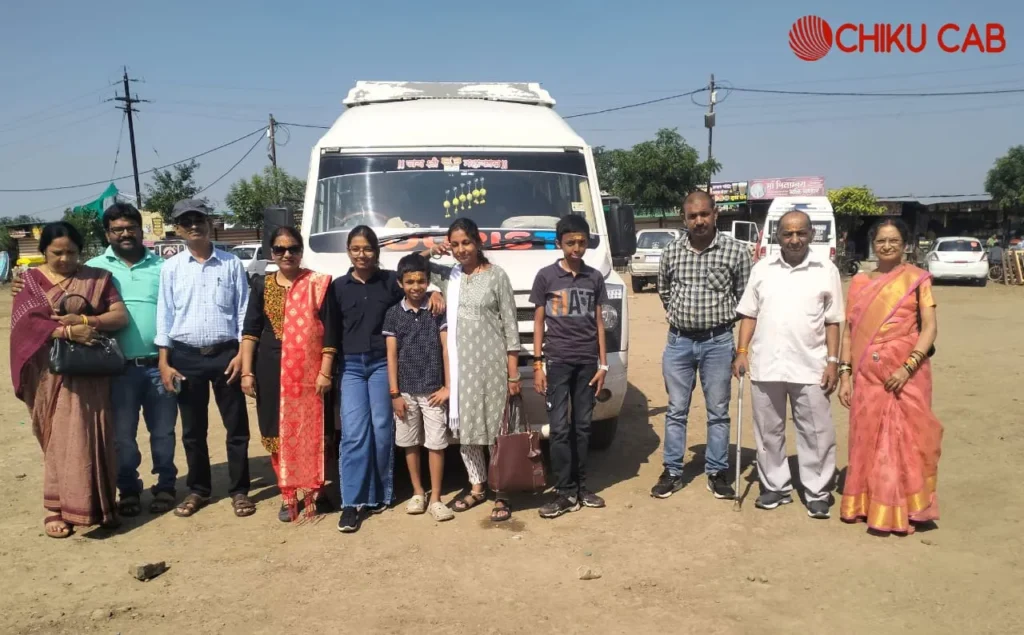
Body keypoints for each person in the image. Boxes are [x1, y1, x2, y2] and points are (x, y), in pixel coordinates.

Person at [10, 222, 129, 538]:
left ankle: (101, 506)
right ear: (43, 252)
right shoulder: (30, 282)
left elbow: (120, 316)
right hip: (51, 375)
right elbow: (24, 325)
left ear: (81, 251)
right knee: (60, 439)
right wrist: (64, 331)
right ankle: (55, 508)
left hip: (92, 374)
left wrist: (89, 321)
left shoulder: (98, 279)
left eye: (71, 252)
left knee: (95, 435)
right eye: (56, 252)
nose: (64, 259)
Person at [331, 226, 444, 533]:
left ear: (376, 252)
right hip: (352, 367)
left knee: (383, 431)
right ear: (348, 251)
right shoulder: (339, 286)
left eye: (367, 248)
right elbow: (330, 330)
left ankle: (381, 493)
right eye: (355, 248)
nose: (361, 254)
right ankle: (352, 503)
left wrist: (436, 291)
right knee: (354, 433)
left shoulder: (387, 284)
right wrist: (326, 367)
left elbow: (413, 277)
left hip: (382, 365)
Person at [733, 210, 843, 520]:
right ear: (777, 236)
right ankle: (775, 486)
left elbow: (834, 320)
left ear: (812, 234)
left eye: (801, 233)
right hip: (767, 363)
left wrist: (833, 362)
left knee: (817, 432)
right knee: (769, 431)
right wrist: (742, 351)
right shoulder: (763, 269)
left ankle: (818, 491)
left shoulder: (826, 270)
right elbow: (749, 314)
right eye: (787, 234)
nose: (794, 240)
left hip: (811, 364)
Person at [837, 218, 942, 535]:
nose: (886, 246)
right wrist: (845, 374)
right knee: (868, 439)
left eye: (893, 240)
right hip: (868, 378)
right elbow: (848, 333)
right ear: (873, 243)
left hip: (906, 376)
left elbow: (930, 328)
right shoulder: (859, 283)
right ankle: (869, 506)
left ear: (905, 244)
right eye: (881, 240)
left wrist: (907, 367)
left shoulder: (917, 280)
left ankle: (907, 508)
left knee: (904, 441)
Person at [156, 199, 254, 519]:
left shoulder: (230, 263)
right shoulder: (171, 268)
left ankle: (240, 490)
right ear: (178, 229)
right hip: (186, 358)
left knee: (236, 427)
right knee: (193, 430)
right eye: (187, 221)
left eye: (199, 219)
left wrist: (242, 355)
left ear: (210, 223)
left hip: (227, 355)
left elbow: (243, 313)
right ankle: (199, 490)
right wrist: (164, 361)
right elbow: (165, 316)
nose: (194, 225)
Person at [652, 190, 751, 500]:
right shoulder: (671, 252)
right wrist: (683, 316)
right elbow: (664, 290)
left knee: (718, 412)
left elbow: (746, 299)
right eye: (692, 216)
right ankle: (672, 471)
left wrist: (740, 348)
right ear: (685, 218)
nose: (699, 221)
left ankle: (717, 471)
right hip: (679, 342)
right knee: (676, 410)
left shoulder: (736, 252)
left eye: (704, 214)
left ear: (715, 214)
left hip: (718, 343)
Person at [240, 227, 337, 523]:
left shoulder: (318, 284)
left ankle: (314, 491)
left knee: (313, 430)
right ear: (271, 253)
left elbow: (331, 332)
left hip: (310, 370)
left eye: (293, 248)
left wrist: (325, 371)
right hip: (271, 368)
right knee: (277, 433)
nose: (287, 254)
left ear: (301, 250)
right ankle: (288, 494)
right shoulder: (261, 284)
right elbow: (250, 330)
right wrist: (246, 371)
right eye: (280, 249)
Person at [428, 217, 521, 523]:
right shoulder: (449, 277)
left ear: (478, 242)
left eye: (465, 242)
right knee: (468, 432)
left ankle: (501, 492)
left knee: (497, 431)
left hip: (493, 365)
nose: (460, 249)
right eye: (454, 244)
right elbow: (409, 267)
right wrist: (433, 254)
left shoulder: (497, 277)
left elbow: (510, 327)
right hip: (462, 369)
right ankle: (477, 486)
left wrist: (513, 373)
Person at [531, 214, 609, 518]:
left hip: (587, 363)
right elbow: (539, 322)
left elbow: (599, 323)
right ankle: (563, 492)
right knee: (560, 429)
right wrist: (538, 364)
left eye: (581, 241)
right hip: (558, 362)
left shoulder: (594, 278)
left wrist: (603, 364)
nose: (576, 247)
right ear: (559, 243)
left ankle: (581, 488)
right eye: (570, 242)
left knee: (583, 427)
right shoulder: (546, 277)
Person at [383, 253, 454, 523]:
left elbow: (446, 349)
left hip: (434, 390)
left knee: (436, 444)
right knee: (410, 443)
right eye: (410, 281)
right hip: (406, 393)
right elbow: (391, 355)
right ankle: (417, 492)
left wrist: (447, 386)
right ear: (400, 283)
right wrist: (395, 394)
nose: (416, 286)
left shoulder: (437, 311)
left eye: (421, 281)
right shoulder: (393, 314)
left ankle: (436, 497)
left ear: (428, 282)